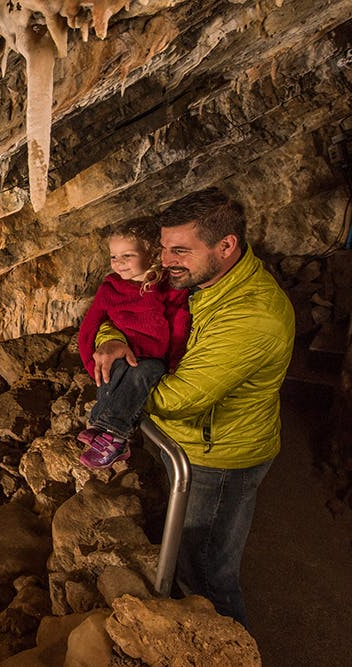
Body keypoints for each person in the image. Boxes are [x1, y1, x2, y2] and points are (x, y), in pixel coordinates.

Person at [92, 188, 295, 626]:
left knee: (206, 572)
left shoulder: (251, 316)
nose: (165, 261)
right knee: (186, 550)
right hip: (189, 446)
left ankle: (226, 645)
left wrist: (121, 392)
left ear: (226, 246)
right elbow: (125, 310)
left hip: (218, 458)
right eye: (163, 248)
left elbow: (179, 398)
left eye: (180, 250)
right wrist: (111, 339)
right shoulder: (199, 280)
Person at [76, 218, 190, 469]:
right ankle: (99, 426)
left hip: (154, 358)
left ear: (151, 254)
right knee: (111, 374)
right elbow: (90, 324)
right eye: (114, 257)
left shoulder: (167, 286)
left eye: (128, 255)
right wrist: (89, 360)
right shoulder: (110, 288)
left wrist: (175, 361)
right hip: (124, 352)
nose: (119, 263)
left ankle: (116, 437)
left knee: (140, 374)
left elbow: (179, 321)